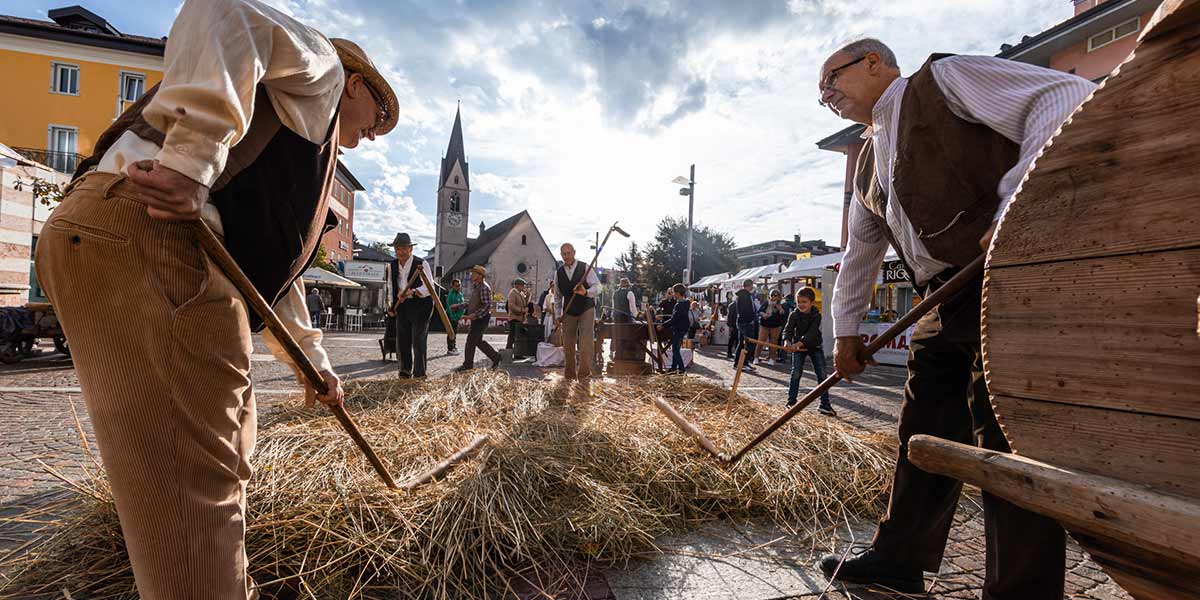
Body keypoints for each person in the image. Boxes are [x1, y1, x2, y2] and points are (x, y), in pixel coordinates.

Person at [32, 0, 396, 595]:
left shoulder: (293, 135)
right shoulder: (323, 69)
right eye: (378, 118)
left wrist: (314, 364)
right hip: (150, 238)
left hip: (111, 235)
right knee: (194, 495)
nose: (370, 138)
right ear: (358, 83)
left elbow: (268, 273)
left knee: (216, 457)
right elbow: (223, 10)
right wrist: (192, 161)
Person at [817, 38, 1094, 597]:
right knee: (922, 427)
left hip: (1003, 277)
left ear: (874, 63)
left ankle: (1022, 591)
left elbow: (1067, 93)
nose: (826, 95)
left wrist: (1019, 197)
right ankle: (899, 558)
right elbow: (860, 253)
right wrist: (844, 332)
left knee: (1005, 435)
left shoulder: (942, 81)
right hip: (940, 297)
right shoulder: (868, 158)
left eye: (831, 79)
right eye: (821, 92)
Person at [388, 232, 434, 378]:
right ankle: (404, 371)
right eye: (397, 249)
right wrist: (391, 306)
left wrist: (412, 292)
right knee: (402, 340)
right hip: (402, 305)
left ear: (410, 249)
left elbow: (429, 288)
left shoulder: (421, 264)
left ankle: (420, 374)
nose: (400, 252)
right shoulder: (392, 265)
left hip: (421, 305)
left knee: (418, 340)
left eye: (403, 248)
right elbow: (390, 287)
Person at [553, 243, 600, 380]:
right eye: (563, 254)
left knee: (585, 342)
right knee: (568, 344)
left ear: (574, 252)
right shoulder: (559, 273)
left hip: (586, 308)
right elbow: (557, 296)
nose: (566, 256)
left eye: (568, 253)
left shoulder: (585, 267)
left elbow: (598, 287)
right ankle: (569, 375)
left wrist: (586, 292)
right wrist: (557, 315)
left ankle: (584, 374)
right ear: (561, 255)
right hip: (569, 311)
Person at [783, 287, 831, 414]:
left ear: (812, 303)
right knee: (796, 373)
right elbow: (788, 330)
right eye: (799, 302)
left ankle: (825, 404)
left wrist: (798, 343)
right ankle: (791, 402)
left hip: (814, 346)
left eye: (804, 302)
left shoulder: (816, 315)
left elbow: (812, 333)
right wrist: (787, 341)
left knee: (822, 374)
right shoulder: (793, 314)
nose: (801, 304)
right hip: (799, 349)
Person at [453, 265, 501, 371]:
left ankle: (468, 365)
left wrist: (475, 315)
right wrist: (458, 306)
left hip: (481, 319)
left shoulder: (484, 287)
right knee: (478, 341)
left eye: (474, 273)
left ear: (480, 275)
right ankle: (496, 357)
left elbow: (487, 305)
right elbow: (471, 303)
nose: (472, 275)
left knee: (471, 342)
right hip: (478, 318)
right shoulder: (477, 286)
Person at [659, 283, 692, 373]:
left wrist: (663, 325)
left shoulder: (679, 305)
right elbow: (677, 316)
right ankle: (673, 368)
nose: (673, 294)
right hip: (683, 328)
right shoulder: (685, 303)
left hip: (679, 329)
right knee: (675, 348)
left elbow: (674, 319)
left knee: (675, 350)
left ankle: (681, 369)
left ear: (677, 293)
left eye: (673, 292)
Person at [733, 279, 759, 372]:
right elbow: (744, 310)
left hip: (743, 322)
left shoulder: (743, 295)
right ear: (749, 285)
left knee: (742, 343)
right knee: (749, 343)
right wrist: (750, 320)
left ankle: (740, 363)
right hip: (746, 322)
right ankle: (742, 363)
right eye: (752, 285)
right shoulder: (745, 295)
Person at [755, 289, 787, 365]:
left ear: (779, 297)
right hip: (764, 325)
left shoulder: (782, 304)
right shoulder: (766, 303)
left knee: (773, 342)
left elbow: (784, 316)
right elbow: (759, 311)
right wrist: (763, 314)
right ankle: (756, 357)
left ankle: (772, 358)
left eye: (775, 295)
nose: (773, 297)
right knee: (760, 341)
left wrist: (780, 309)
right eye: (772, 295)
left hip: (776, 326)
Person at [505, 278, 530, 360]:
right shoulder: (513, 293)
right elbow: (511, 306)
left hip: (519, 319)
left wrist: (528, 296)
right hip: (514, 318)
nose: (524, 287)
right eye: (523, 285)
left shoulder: (520, 294)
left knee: (518, 337)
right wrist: (522, 310)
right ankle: (508, 354)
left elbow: (524, 303)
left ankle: (517, 354)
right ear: (518, 285)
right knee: (512, 337)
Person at [444, 278, 465, 355]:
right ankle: (450, 348)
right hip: (452, 317)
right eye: (456, 286)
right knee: (451, 332)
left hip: (457, 317)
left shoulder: (459, 294)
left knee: (455, 332)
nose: (458, 287)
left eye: (459, 285)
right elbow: (450, 307)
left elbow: (461, 305)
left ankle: (453, 347)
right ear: (452, 286)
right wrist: (453, 317)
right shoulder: (451, 295)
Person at [724, 291, 738, 358]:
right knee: (732, 339)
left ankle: (736, 352)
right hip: (733, 325)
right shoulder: (733, 305)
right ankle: (729, 352)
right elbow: (730, 316)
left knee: (737, 339)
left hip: (737, 324)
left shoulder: (735, 304)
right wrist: (730, 325)